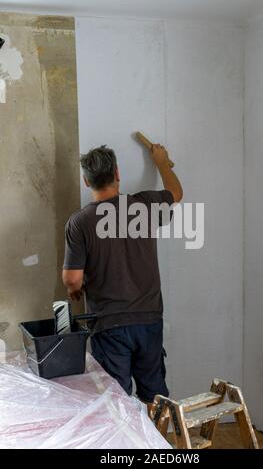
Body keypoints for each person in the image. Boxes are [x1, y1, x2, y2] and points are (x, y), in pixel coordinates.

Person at [62, 143, 183, 405]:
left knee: (115, 399)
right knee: (155, 395)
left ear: (86, 181)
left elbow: (72, 278)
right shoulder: (145, 205)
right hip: (149, 319)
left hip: (109, 324)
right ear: (117, 173)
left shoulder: (79, 222)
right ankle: (159, 442)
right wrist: (161, 161)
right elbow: (176, 192)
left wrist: (74, 290)